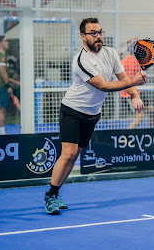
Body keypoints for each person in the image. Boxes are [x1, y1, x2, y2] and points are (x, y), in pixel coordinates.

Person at [43, 18, 147, 215]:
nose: (98, 36)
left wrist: (134, 94)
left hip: (92, 114)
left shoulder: (111, 54)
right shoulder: (81, 60)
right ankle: (51, 195)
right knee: (68, 153)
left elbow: (123, 78)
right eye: (93, 33)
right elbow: (104, 85)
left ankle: (55, 194)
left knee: (75, 156)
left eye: (100, 32)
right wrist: (134, 82)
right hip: (72, 110)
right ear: (84, 36)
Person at [120, 38, 154, 129]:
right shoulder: (124, 62)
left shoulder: (139, 61)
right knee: (140, 118)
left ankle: (152, 132)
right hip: (129, 94)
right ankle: (126, 137)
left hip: (139, 92)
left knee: (152, 109)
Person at [0, 35, 20, 135]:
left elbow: (5, 75)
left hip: (1, 86)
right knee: (1, 109)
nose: (7, 43)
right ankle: (1, 132)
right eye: (5, 41)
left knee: (3, 109)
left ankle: (2, 130)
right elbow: (3, 73)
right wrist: (8, 86)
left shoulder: (2, 55)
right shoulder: (0, 56)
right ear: (0, 43)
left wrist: (16, 82)